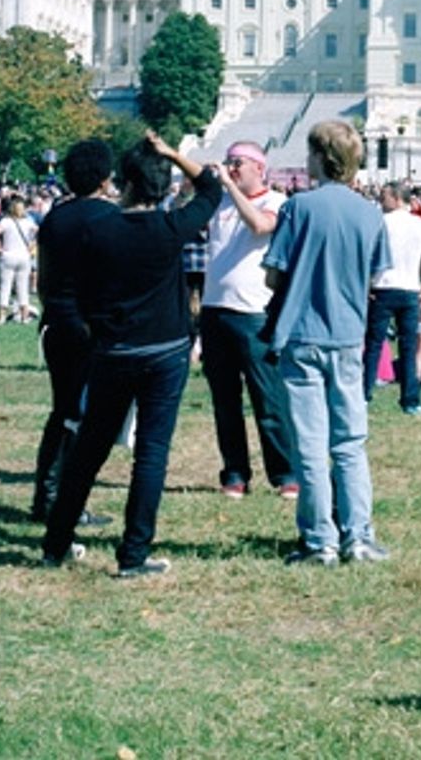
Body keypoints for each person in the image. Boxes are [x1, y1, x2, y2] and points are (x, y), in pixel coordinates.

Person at [40, 134, 222, 576]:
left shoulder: (99, 230)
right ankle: (133, 554)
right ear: (161, 188)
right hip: (165, 349)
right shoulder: (170, 228)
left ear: (123, 183)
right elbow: (212, 188)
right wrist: (174, 154)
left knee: (89, 449)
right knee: (151, 453)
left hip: (114, 348)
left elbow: (73, 290)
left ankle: (56, 543)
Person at [262, 121, 393, 567]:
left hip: (301, 333)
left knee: (311, 445)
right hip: (347, 334)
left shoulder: (298, 208)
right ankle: (358, 534)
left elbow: (272, 273)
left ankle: (320, 540)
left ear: (320, 157)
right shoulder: (370, 213)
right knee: (350, 443)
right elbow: (377, 275)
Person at [199, 141, 296, 500]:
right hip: (215, 309)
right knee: (225, 400)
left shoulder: (277, 203)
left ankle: (285, 471)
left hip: (254, 312)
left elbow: (258, 226)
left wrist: (227, 186)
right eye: (228, 162)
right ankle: (235, 472)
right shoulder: (219, 202)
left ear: (259, 167)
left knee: (268, 399)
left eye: (238, 162)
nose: (232, 168)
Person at [31, 138, 115, 525]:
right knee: (80, 417)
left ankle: (47, 495)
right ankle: (63, 501)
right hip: (88, 324)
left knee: (62, 410)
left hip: (56, 319)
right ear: (104, 177)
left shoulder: (55, 216)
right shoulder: (106, 218)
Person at [363, 181, 421, 418]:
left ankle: (364, 395)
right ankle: (411, 400)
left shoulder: (379, 222)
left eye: (384, 196)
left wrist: (365, 284)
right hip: (410, 289)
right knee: (409, 346)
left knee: (373, 345)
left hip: (382, 287)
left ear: (396, 198)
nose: (380, 201)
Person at [0, 195, 38, 324]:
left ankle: (1, 317)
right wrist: (33, 245)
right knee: (23, 287)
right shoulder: (28, 222)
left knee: (5, 287)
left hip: (8, 255)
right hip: (24, 256)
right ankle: (24, 317)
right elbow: (40, 232)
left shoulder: (5, 221)